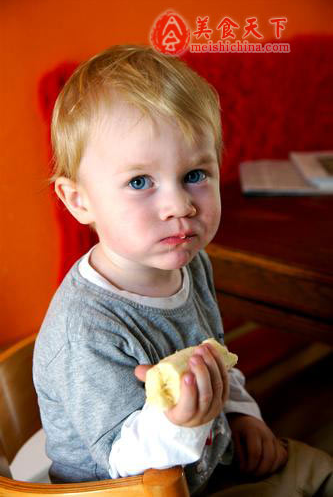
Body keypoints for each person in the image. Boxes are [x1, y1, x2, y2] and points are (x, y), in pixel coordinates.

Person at [33, 44, 332, 496]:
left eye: (195, 174)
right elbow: (122, 461)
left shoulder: (194, 265)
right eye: (139, 182)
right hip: (133, 486)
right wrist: (181, 421)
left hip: (209, 462)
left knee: (321, 468)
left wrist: (241, 413)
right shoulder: (86, 327)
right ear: (79, 200)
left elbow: (217, 360)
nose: (180, 206)